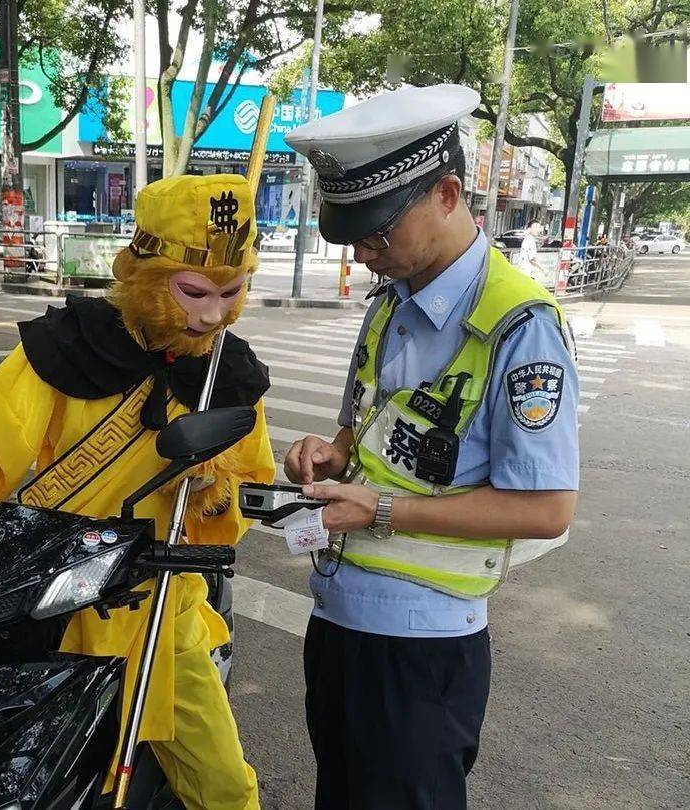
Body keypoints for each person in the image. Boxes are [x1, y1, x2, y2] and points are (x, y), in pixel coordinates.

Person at [0, 174, 276, 809]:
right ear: (146, 274)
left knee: (222, 781)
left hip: (157, 604)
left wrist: (218, 490)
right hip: (44, 593)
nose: (213, 314)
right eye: (193, 292)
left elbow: (247, 487)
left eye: (231, 292)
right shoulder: (70, 346)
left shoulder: (228, 376)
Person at [283, 84, 580, 809]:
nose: (362, 251)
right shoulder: (392, 301)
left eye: (379, 233)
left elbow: (545, 509)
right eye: (351, 233)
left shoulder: (521, 327)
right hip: (337, 623)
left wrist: (379, 508)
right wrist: (332, 451)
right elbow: (376, 429)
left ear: (448, 194)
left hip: (423, 651)